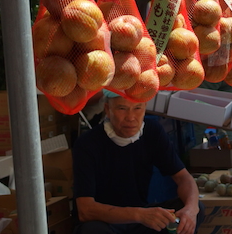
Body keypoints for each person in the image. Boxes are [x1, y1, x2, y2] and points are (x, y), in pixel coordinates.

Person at [72, 91, 204, 234]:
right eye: (122, 108)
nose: (130, 117)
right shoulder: (87, 143)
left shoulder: (152, 131)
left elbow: (183, 177)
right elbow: (85, 210)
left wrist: (191, 210)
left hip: (141, 219)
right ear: (107, 110)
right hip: (107, 221)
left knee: (194, 209)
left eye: (137, 108)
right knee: (92, 230)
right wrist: (138, 215)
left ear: (145, 108)